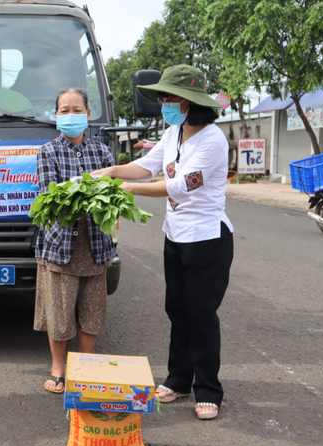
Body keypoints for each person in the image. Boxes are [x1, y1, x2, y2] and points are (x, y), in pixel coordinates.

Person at [92, 64, 234, 420]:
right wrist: (111, 171)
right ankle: (179, 380)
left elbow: (180, 185)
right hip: (176, 236)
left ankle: (208, 390)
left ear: (191, 100)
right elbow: (147, 165)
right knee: (177, 310)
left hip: (207, 239)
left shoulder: (213, 140)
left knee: (201, 314)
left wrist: (127, 189)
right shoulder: (175, 132)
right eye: (163, 97)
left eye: (171, 97)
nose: (165, 103)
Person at [34, 88, 117, 394]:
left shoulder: (103, 153)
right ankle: (58, 367)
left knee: (92, 309)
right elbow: (49, 196)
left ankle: (85, 366)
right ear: (56, 116)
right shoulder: (48, 152)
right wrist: (88, 192)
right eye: (64, 110)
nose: (71, 115)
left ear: (88, 114)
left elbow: (112, 193)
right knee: (60, 310)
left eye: (76, 109)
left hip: (95, 242)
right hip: (60, 242)